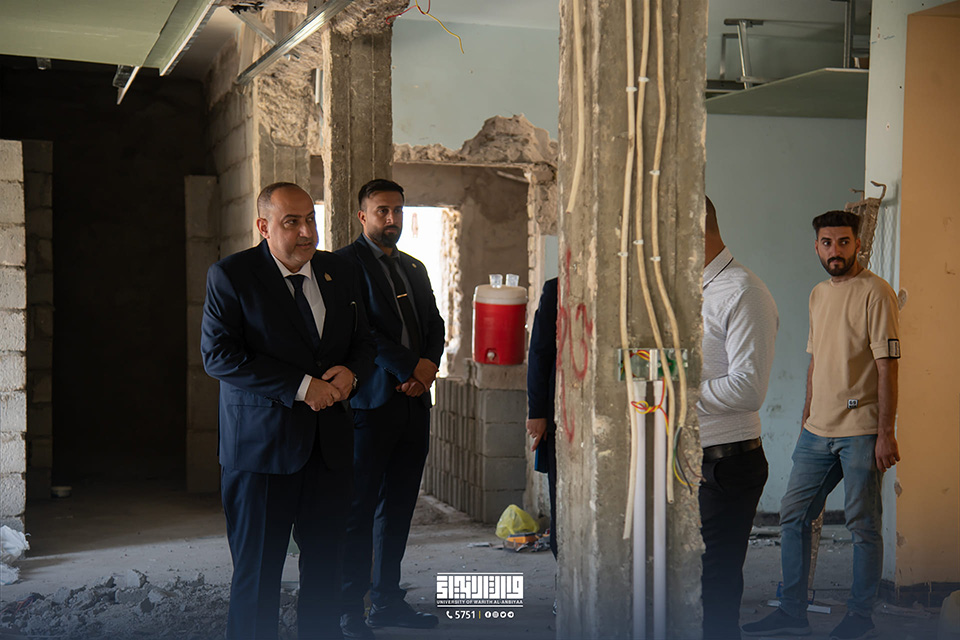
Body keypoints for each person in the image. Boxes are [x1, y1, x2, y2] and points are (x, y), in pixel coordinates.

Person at [201, 182, 375, 640]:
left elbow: (364, 341)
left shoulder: (340, 271)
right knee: (258, 574)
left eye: (310, 220)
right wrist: (301, 387)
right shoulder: (232, 275)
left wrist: (352, 375)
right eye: (291, 222)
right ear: (263, 226)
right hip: (260, 453)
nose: (306, 232)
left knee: (326, 571)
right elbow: (219, 356)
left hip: (329, 450)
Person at [743, 210, 901, 640]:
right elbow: (815, 363)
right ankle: (793, 611)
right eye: (827, 243)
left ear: (857, 245)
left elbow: (887, 367)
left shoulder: (877, 293)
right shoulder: (817, 294)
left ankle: (860, 617)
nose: (835, 251)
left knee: (862, 526)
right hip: (817, 431)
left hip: (861, 430)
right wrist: (805, 419)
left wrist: (886, 433)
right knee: (793, 515)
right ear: (817, 246)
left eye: (843, 242)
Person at [335, 179, 445, 639]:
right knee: (358, 509)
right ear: (363, 216)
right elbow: (359, 330)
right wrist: (408, 367)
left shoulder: (414, 267)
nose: (392, 218)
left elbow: (435, 323)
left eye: (397, 210)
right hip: (370, 404)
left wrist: (427, 369)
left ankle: (387, 601)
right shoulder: (343, 265)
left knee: (398, 507)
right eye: (382, 210)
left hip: (414, 403)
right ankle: (348, 609)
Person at [698, 197, 779, 639]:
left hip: (727, 465)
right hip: (689, 461)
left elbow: (748, 389)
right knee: (688, 581)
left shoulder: (744, 292)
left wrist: (677, 395)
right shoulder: (695, 289)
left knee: (714, 586)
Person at [526, 277, 559, 561]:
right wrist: (537, 413)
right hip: (558, 413)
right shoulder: (556, 289)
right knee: (560, 497)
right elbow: (539, 352)